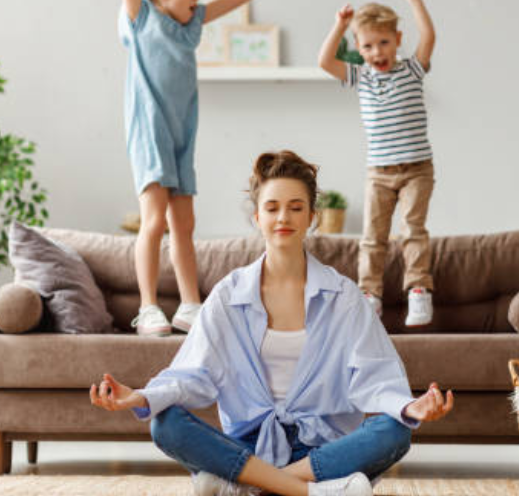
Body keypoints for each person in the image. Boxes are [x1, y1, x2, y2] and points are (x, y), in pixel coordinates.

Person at [90, 150, 453, 496]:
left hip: (321, 452)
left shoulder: (343, 296)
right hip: (247, 447)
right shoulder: (229, 295)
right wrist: (141, 397)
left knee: (395, 430)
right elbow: (192, 374)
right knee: (165, 423)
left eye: (296, 208)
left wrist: (409, 408)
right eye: (272, 208)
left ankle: (245, 486)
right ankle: (314, 492)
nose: (283, 218)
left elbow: (374, 375)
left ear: (312, 217)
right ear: (257, 217)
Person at [90, 0, 302, 337]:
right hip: (149, 131)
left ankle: (190, 304)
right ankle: (148, 307)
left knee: (184, 224)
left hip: (182, 133)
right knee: (153, 221)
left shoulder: (192, 25)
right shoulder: (142, 17)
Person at [318, 0, 436, 327]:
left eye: (384, 43)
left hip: (417, 169)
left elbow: (429, 36)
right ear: (358, 47)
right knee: (373, 236)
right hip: (378, 173)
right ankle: (370, 295)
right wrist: (340, 24)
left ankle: (418, 290)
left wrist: (414, 0)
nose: (377, 52)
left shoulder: (412, 70)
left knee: (413, 229)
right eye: (368, 46)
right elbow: (325, 61)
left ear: (398, 40)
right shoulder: (361, 77)